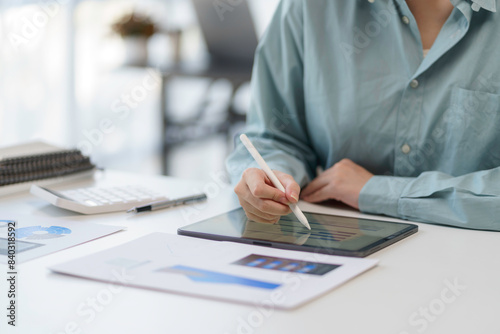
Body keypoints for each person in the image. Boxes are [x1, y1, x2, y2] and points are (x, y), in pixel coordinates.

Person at [226, 0, 500, 231]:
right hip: (339, 248)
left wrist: (376, 191)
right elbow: (275, 136)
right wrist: (272, 175)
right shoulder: (310, 7)